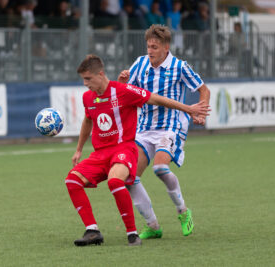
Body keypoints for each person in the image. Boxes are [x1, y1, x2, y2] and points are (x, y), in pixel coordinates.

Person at [65, 54, 210, 247]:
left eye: (88, 79)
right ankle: (92, 231)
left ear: (100, 74)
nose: (85, 83)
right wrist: (78, 149)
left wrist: (188, 109)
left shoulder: (124, 91)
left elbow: (157, 99)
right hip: (99, 154)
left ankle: (133, 234)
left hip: (123, 149)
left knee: (117, 181)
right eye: (83, 79)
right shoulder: (88, 97)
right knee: (72, 180)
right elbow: (88, 120)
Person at [118, 24, 211, 239]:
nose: (150, 51)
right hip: (143, 129)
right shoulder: (140, 64)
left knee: (160, 168)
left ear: (166, 47)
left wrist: (201, 113)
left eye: (154, 47)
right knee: (129, 178)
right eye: (148, 46)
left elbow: (203, 89)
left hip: (170, 128)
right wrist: (121, 82)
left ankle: (183, 211)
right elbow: (123, 93)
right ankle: (152, 225)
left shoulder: (179, 67)